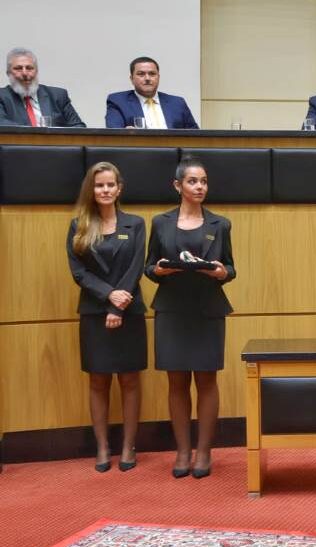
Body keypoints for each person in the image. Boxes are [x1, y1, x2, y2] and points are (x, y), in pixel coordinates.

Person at [145, 156, 235, 479]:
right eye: (193, 181)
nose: (200, 187)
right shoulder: (160, 222)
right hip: (172, 308)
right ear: (178, 186)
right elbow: (150, 266)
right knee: (177, 381)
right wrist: (158, 270)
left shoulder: (220, 224)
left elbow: (230, 267)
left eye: (204, 181)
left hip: (208, 309)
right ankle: (182, 452)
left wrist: (223, 272)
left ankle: (204, 453)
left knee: (207, 381)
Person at [66, 162, 147, 473]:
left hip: (129, 310)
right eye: (99, 185)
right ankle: (102, 446)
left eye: (110, 185)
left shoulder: (136, 224)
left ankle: (128, 445)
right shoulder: (78, 226)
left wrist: (118, 305)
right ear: (92, 189)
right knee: (98, 381)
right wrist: (108, 297)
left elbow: (135, 267)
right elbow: (78, 272)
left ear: (119, 188)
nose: (105, 190)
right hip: (93, 312)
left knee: (130, 379)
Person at [105, 56, 199, 129]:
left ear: (158, 77)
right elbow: (115, 131)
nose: (147, 78)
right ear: (132, 79)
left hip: (173, 151)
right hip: (139, 151)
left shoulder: (177, 103)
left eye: (152, 74)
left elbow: (195, 134)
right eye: (141, 74)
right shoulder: (118, 101)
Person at [0, 47, 85, 127]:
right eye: (18, 68)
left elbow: (78, 127)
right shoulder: (2, 97)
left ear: (36, 71)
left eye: (29, 68)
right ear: (8, 73)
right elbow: (2, 125)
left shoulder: (58, 96)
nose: (25, 73)